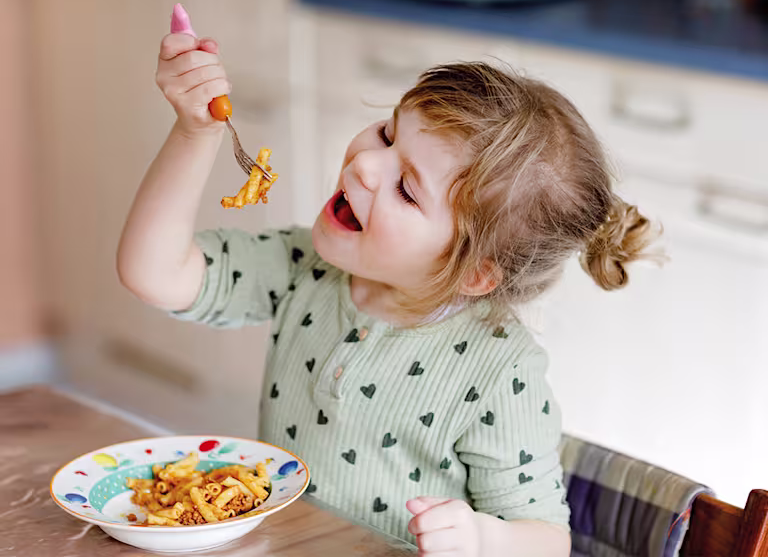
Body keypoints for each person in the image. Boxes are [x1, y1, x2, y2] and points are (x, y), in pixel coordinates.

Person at [117, 29, 658, 557]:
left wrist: (483, 540)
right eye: (387, 134)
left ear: (474, 274)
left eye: (406, 188)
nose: (365, 165)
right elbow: (154, 273)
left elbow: (546, 540)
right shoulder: (302, 265)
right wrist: (195, 132)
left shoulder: (500, 371)